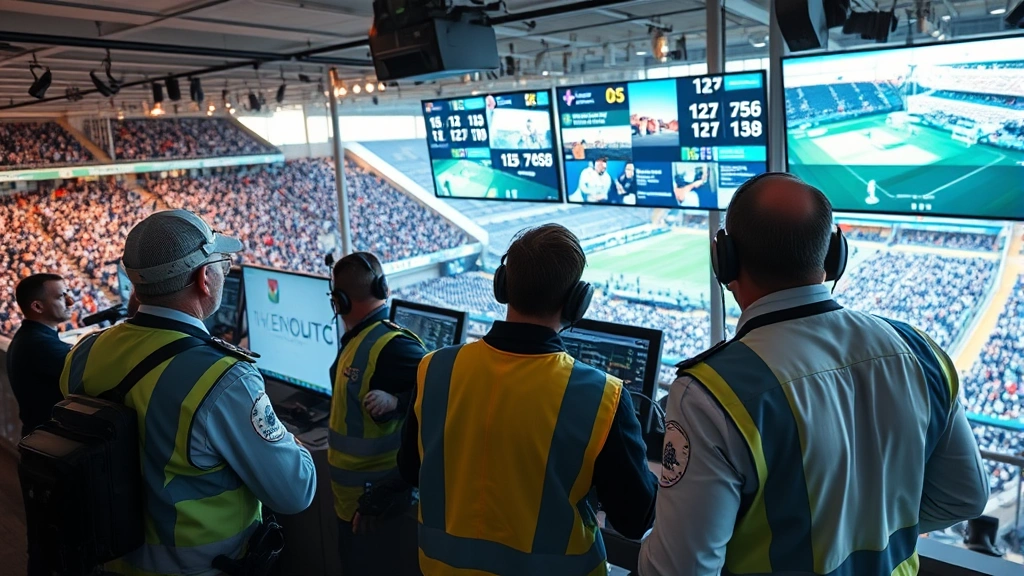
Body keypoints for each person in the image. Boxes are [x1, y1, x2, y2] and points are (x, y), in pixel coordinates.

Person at [638, 173, 989, 576]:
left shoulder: (708, 393)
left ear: (725, 261)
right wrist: (875, 528)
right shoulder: (921, 350)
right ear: (833, 255)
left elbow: (679, 570)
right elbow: (963, 497)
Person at [59, 209, 317, 576]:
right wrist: (289, 436)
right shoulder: (225, 377)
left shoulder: (83, 353)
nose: (225, 274)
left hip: (109, 563)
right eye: (223, 265)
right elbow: (296, 490)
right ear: (203, 278)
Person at [398, 224, 658, 575]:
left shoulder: (433, 369)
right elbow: (633, 519)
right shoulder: (604, 397)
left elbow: (411, 470)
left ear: (503, 285)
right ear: (577, 302)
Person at [327, 251, 427, 576]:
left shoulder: (391, 345)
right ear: (383, 287)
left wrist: (398, 401)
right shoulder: (361, 340)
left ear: (338, 301)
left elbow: (447, 388)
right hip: (357, 503)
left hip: (377, 505)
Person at [7, 273, 73, 438]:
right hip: (52, 442)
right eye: (60, 297)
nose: (70, 301)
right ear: (37, 307)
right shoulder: (39, 344)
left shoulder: (29, 336)